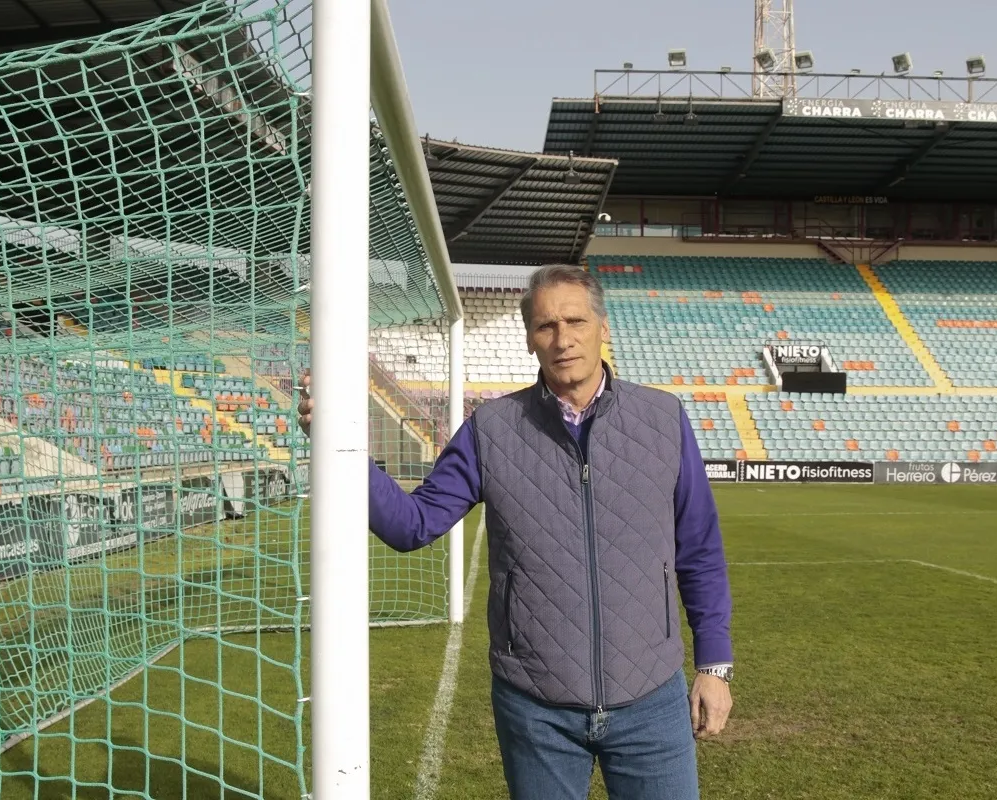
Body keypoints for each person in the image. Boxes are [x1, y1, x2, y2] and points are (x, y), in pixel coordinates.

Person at [298, 264, 733, 800]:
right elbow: (412, 525)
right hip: (536, 709)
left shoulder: (663, 418)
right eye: (546, 326)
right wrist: (338, 446)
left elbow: (700, 551)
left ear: (603, 327)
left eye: (575, 321)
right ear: (530, 340)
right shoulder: (492, 429)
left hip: (651, 701)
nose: (563, 339)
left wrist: (714, 665)